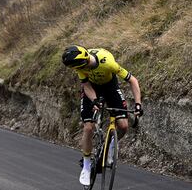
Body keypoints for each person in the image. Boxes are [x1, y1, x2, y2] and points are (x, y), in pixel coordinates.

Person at [61, 45, 143, 186]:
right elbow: (86, 85)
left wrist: (138, 104)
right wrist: (94, 100)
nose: (78, 70)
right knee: (88, 128)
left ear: (85, 61)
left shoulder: (108, 63)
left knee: (123, 126)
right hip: (92, 89)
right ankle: (86, 165)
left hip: (110, 87)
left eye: (79, 67)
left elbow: (133, 80)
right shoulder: (79, 64)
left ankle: (110, 147)